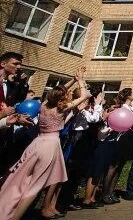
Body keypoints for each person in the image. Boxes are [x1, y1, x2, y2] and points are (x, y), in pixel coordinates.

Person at [0, 68, 91, 220]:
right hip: (50, 145)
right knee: (35, 185)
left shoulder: (44, 105)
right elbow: (83, 96)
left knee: (23, 177)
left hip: (37, 143)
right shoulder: (62, 108)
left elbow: (59, 91)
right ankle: (16, 217)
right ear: (62, 98)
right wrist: (80, 79)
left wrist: (73, 80)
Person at [101, 88, 133, 205]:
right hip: (119, 139)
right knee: (113, 166)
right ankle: (104, 193)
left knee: (120, 167)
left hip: (128, 139)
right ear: (128, 96)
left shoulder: (131, 108)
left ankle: (112, 192)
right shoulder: (121, 108)